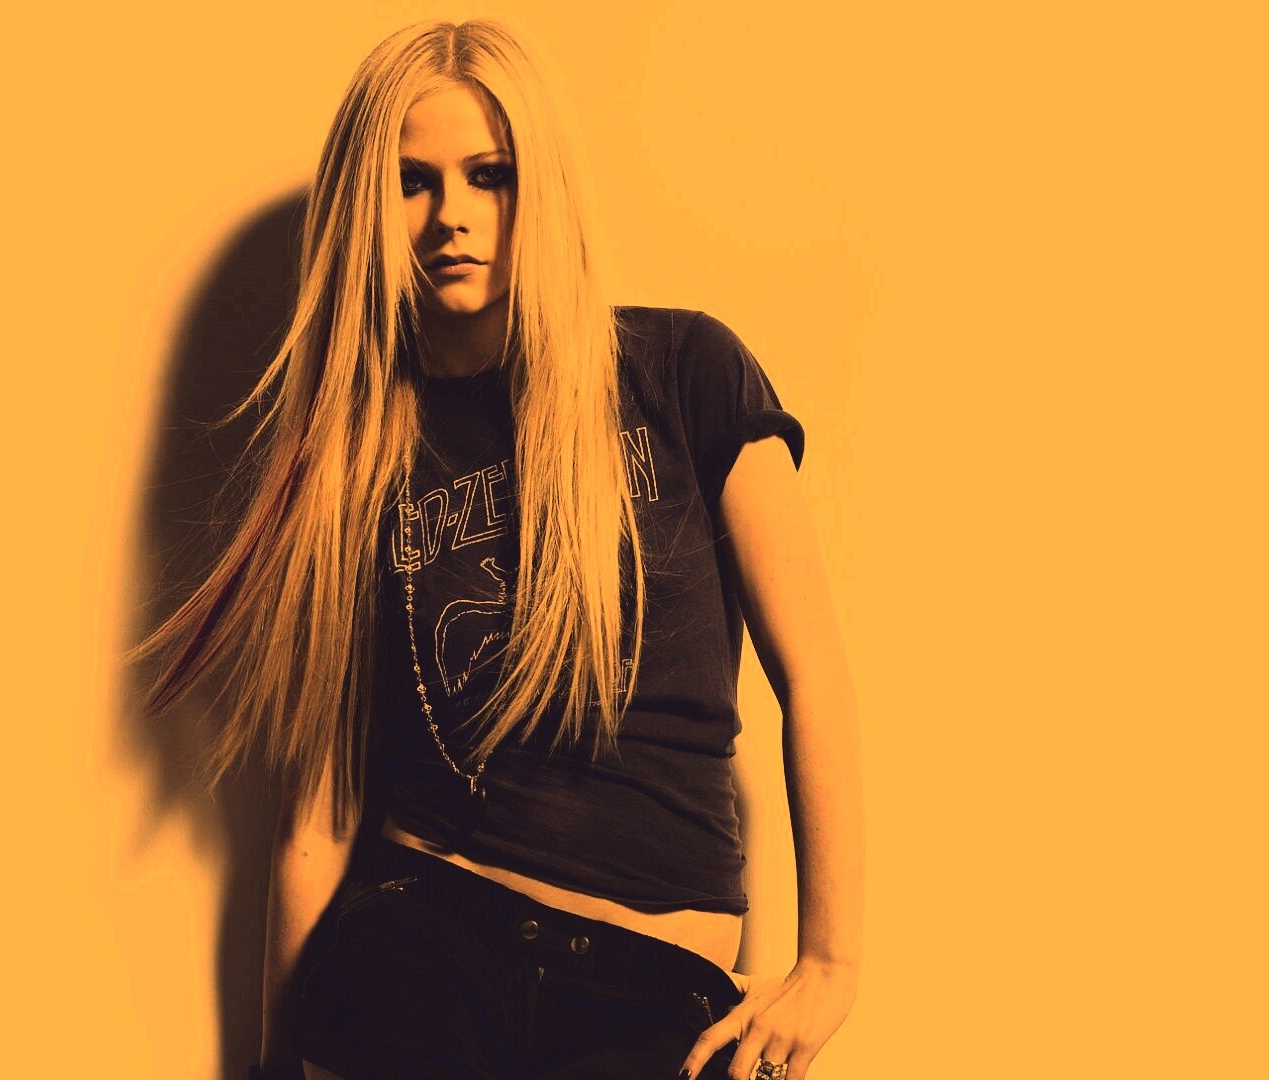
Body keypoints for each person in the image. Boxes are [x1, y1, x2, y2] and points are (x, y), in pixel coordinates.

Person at [133, 18, 861, 1080]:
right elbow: (320, 812)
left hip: (656, 987)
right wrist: (274, 1064)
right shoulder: (357, 459)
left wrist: (832, 963)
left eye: (489, 175)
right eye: (413, 182)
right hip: (420, 946)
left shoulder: (686, 372)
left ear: (543, 184)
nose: (452, 216)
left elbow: (816, 676)